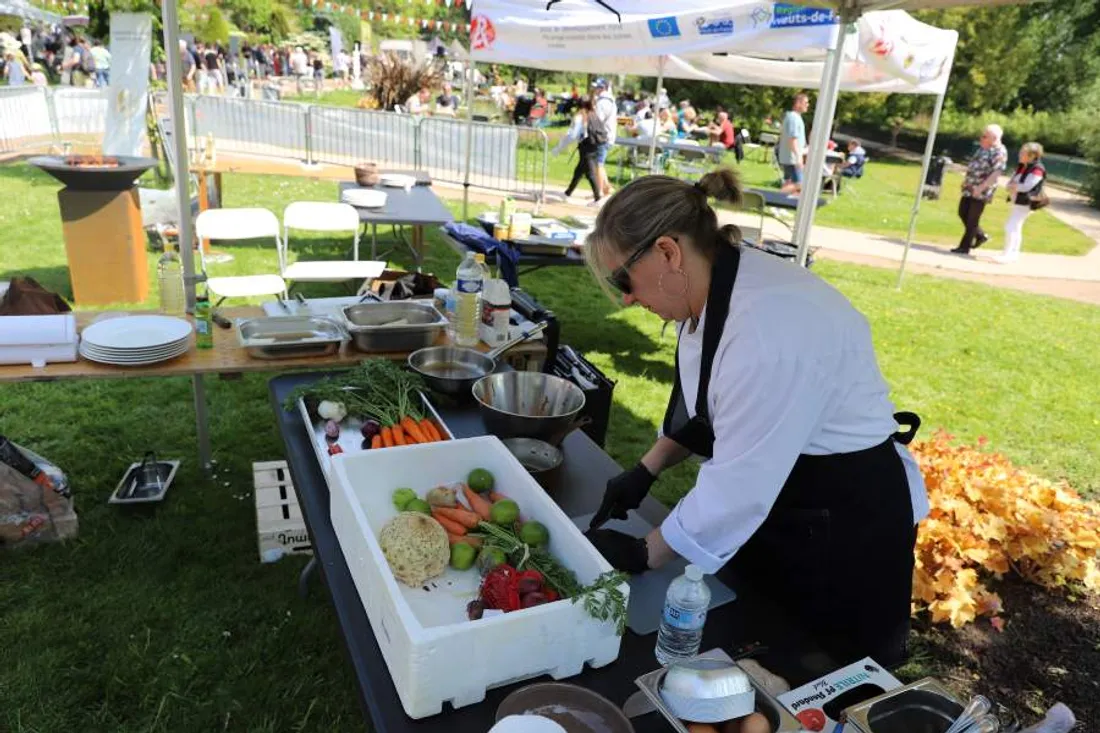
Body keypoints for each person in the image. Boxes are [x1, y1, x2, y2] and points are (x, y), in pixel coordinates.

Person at [582, 170, 928, 669]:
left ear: (667, 253)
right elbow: (708, 408)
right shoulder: (711, 287)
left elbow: (739, 487)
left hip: (843, 522)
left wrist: (644, 552)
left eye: (624, 280)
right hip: (784, 499)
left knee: (822, 674)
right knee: (751, 643)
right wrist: (647, 467)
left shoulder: (769, 331)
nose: (628, 299)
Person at [951, 124, 1008, 256]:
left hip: (982, 190)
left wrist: (981, 188)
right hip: (970, 187)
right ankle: (981, 235)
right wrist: (966, 182)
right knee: (962, 212)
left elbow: (996, 173)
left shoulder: (999, 152)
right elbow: (974, 165)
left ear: (994, 138)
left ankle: (964, 247)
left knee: (972, 218)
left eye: (984, 136)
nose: (981, 138)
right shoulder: (983, 148)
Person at [998, 142, 1046, 264]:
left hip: (1025, 203)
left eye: (1023, 153)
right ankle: (1012, 254)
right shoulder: (1023, 166)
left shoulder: (1037, 169)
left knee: (1010, 226)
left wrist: (1014, 186)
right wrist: (1011, 185)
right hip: (1017, 201)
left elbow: (1027, 186)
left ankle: (1008, 255)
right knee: (1015, 227)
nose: (1020, 154)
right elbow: (1012, 182)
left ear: (1032, 155)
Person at [555, 99, 601, 206]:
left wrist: (559, 148)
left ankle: (598, 198)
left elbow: (573, 135)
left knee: (590, 173)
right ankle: (567, 193)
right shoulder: (594, 114)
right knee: (579, 171)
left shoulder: (581, 117)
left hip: (586, 147)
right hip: (594, 145)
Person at [588, 78, 618, 198]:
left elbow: (597, 120)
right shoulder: (608, 100)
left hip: (602, 137)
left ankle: (598, 193)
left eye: (598, 87)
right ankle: (607, 188)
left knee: (598, 165)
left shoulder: (603, 102)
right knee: (599, 164)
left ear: (603, 88)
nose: (595, 89)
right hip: (606, 136)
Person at [779, 93, 809, 193]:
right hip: (792, 158)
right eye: (806, 102)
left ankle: (782, 205)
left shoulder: (795, 117)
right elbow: (792, 139)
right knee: (799, 184)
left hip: (791, 157)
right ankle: (778, 198)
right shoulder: (793, 118)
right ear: (798, 103)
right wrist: (798, 157)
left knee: (790, 183)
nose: (807, 105)